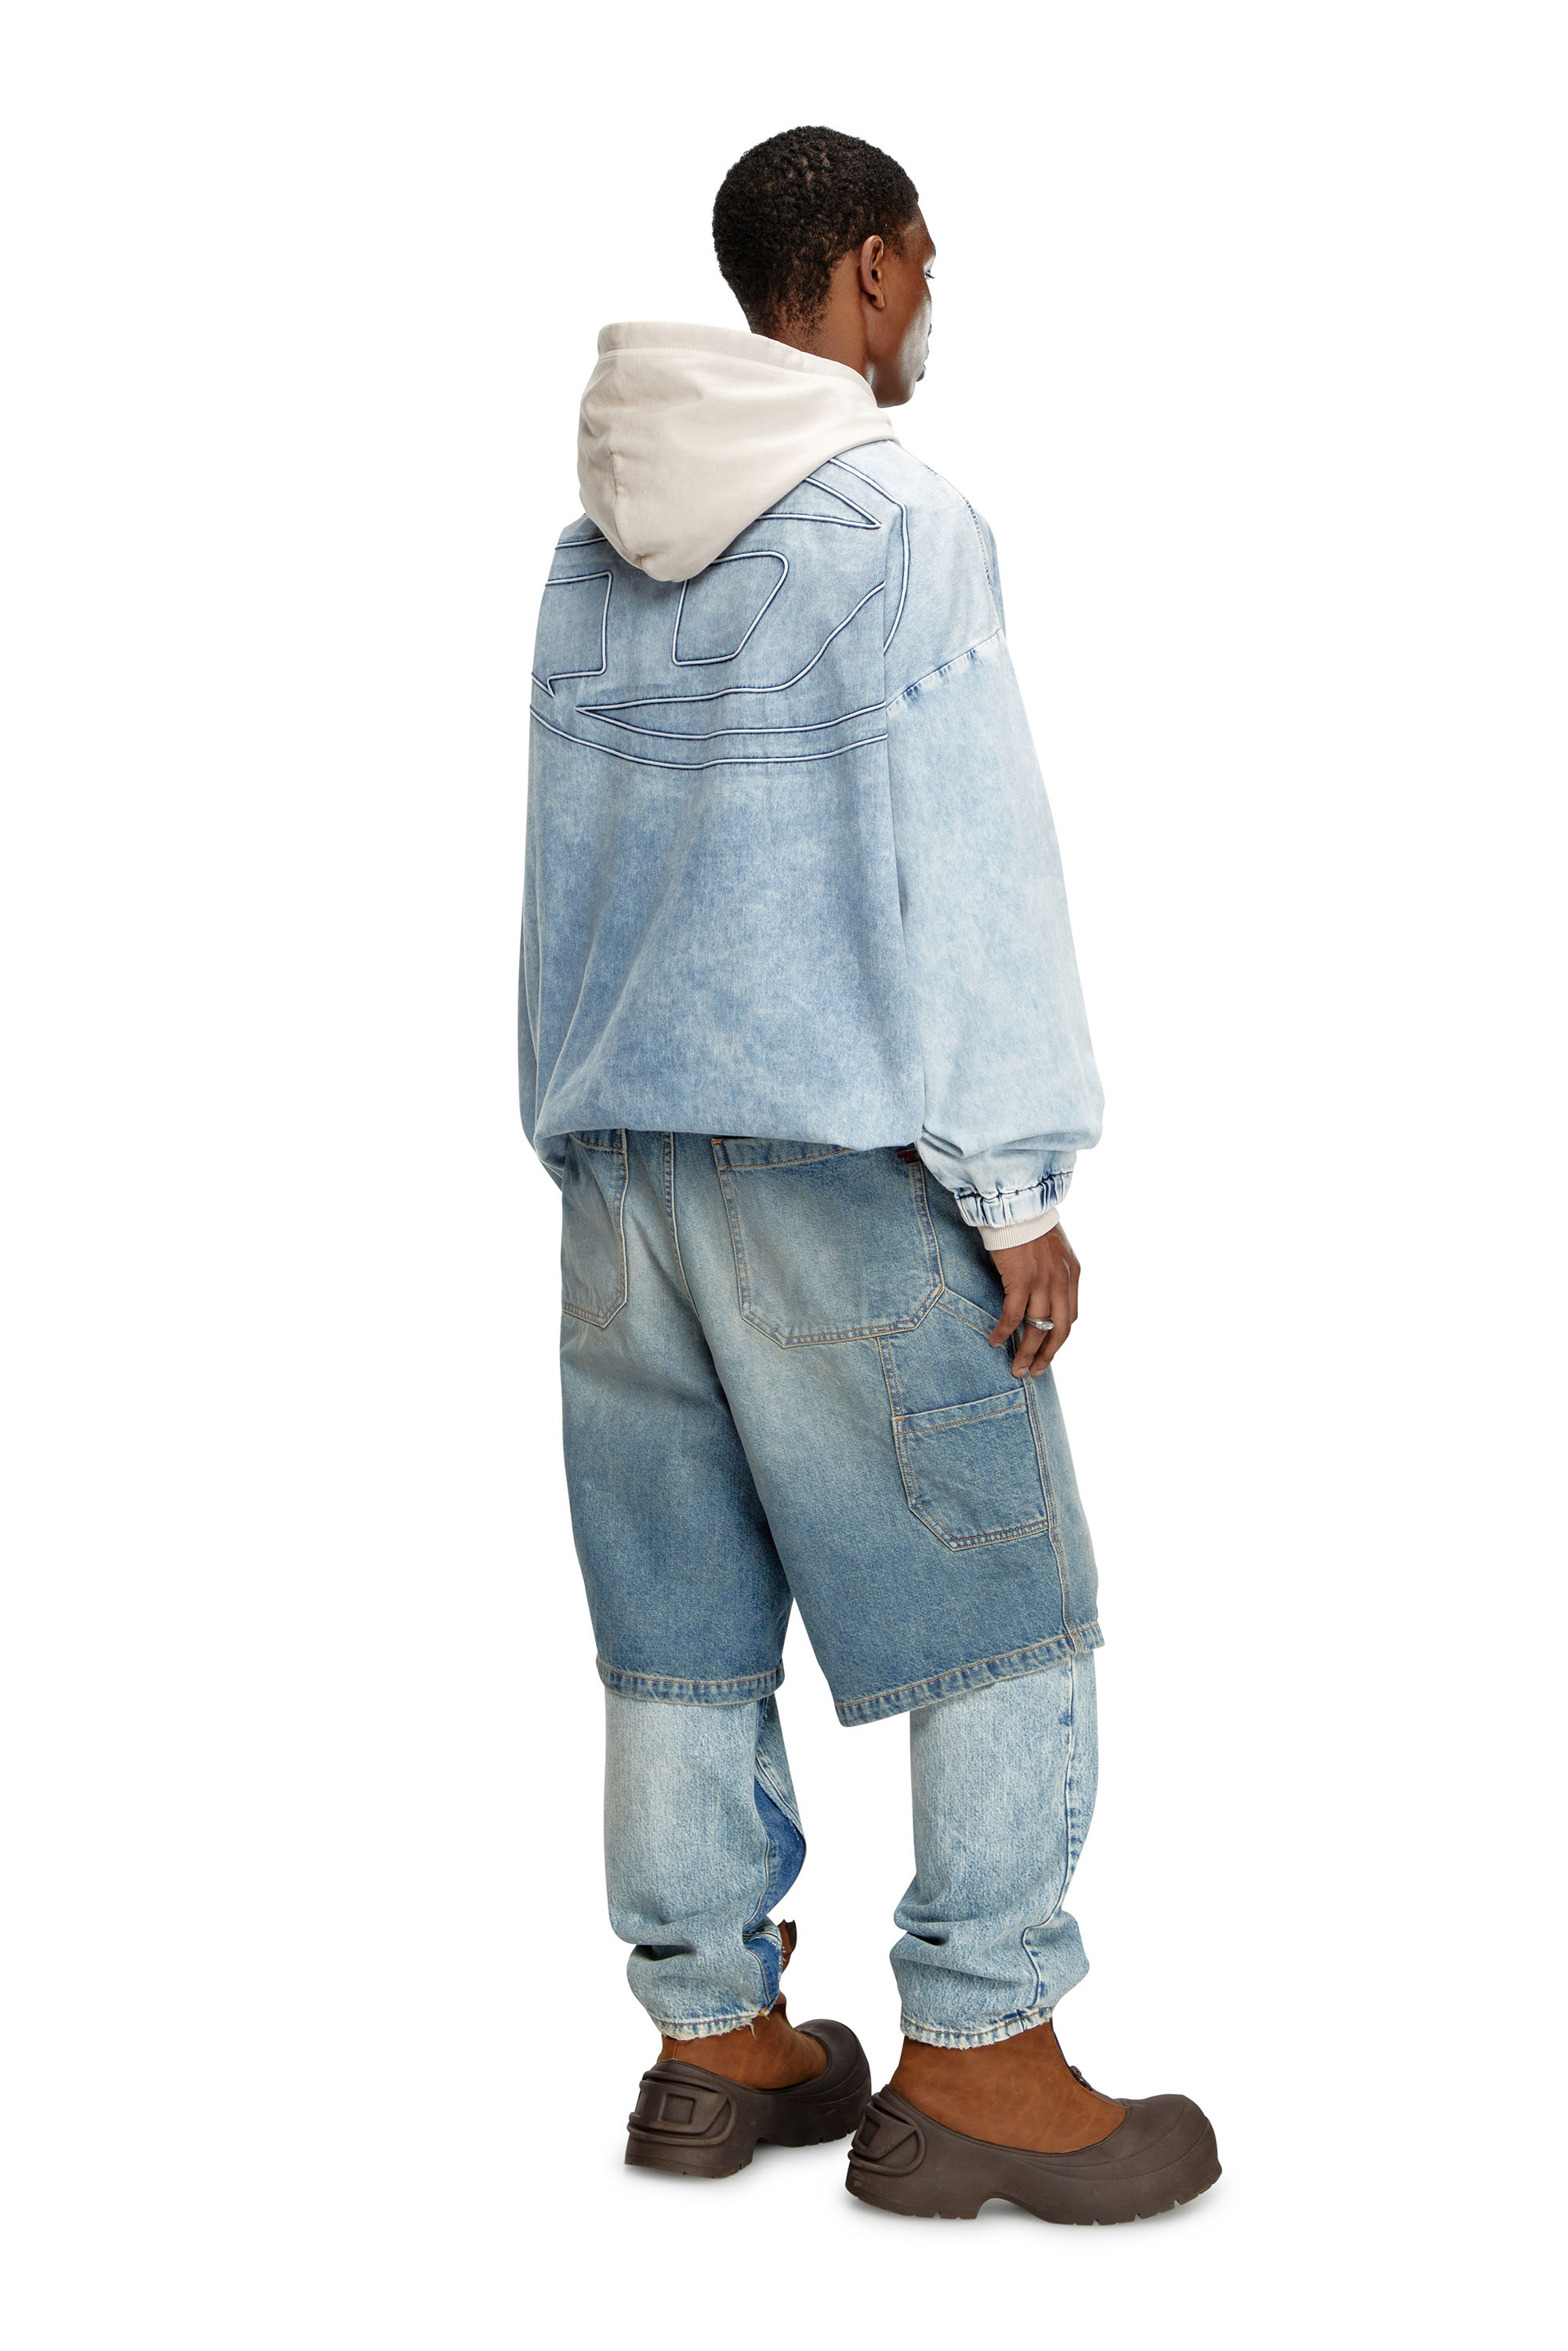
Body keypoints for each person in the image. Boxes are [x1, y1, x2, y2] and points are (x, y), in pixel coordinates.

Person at [520, 125, 1218, 2224]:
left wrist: (579, 1132)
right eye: (926, 263)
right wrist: (1020, 1185)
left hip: (624, 1166)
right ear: (880, 267)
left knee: (678, 1621)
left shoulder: (589, 550)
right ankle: (986, 2052)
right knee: (1002, 1599)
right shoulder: (897, 523)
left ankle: (711, 2041)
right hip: (835, 1159)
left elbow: (563, 871)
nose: (930, 300)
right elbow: (968, 862)